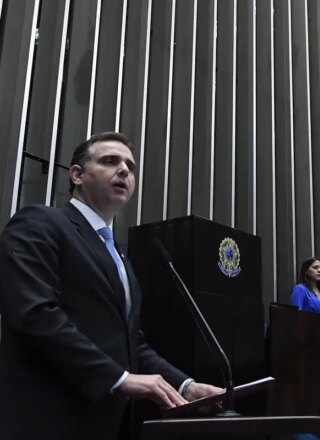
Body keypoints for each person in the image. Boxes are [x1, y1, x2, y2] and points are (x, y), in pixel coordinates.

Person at [0, 132, 223, 439]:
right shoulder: (40, 223)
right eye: (110, 161)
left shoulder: (119, 256)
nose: (124, 171)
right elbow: (34, 314)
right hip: (46, 418)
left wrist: (185, 385)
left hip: (104, 423)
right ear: (77, 175)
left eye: (130, 167)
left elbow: (132, 343)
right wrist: (118, 378)